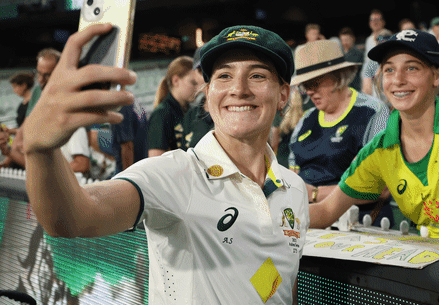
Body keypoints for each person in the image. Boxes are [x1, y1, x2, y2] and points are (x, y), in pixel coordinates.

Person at [23, 23, 309, 304]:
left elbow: (284, 289)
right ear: (208, 95)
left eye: (257, 75)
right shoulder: (176, 174)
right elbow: (75, 217)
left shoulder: (293, 189)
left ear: (283, 95)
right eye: (224, 76)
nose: (239, 89)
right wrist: (40, 151)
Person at [308, 29, 439, 275]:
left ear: (437, 75)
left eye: (411, 68)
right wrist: (265, 219)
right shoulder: (379, 150)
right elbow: (325, 211)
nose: (397, 79)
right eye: (389, 69)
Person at [289, 39, 392, 227]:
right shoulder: (306, 119)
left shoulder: (372, 112)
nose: (309, 91)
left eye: (314, 82)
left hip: (357, 224)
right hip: (306, 222)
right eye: (304, 85)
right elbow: (291, 177)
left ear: (338, 76)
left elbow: (380, 188)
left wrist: (314, 193)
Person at [0, 48, 60, 168]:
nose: (41, 80)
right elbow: (25, 126)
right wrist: (9, 156)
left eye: (47, 75)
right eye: (38, 73)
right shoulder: (38, 91)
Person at [147, 56, 199, 157]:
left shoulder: (189, 110)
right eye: (193, 83)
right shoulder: (162, 114)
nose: (198, 88)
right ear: (176, 80)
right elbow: (156, 160)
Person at [0, 72, 35, 168]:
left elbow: (29, 129)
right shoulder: (21, 106)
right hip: (21, 146)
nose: (14, 91)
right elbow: (21, 129)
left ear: (24, 85)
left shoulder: (33, 104)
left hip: (29, 149)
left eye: (15, 87)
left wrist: (11, 131)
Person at [361, 9, 388, 98]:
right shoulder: (369, 39)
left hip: (384, 78)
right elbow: (367, 61)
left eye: (377, 19)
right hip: (370, 79)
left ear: (383, 22)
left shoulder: (387, 35)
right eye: (372, 20)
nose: (375, 22)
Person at [338, 27, 363, 91]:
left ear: (353, 39)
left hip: (355, 88)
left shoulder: (357, 53)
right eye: (342, 40)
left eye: (346, 40)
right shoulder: (342, 54)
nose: (344, 43)